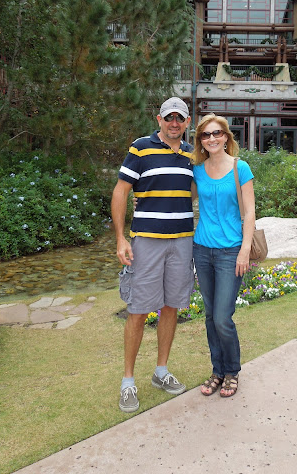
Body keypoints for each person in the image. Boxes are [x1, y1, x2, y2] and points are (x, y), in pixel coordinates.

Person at [111, 97, 194, 413]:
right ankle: (128, 382)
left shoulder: (191, 154)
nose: (175, 123)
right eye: (170, 117)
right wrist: (121, 238)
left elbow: (198, 189)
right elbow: (121, 191)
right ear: (159, 119)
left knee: (171, 306)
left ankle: (161, 372)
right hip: (147, 242)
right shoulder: (140, 148)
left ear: (187, 123)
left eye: (181, 118)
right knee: (138, 309)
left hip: (182, 241)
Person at [191, 113, 255, 398]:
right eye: (206, 135)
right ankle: (217, 371)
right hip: (202, 250)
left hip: (231, 251)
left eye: (217, 133)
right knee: (209, 316)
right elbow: (182, 200)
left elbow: (251, 212)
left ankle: (232, 371)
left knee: (222, 318)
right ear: (201, 141)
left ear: (227, 137)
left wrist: (244, 251)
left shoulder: (240, 168)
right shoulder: (197, 171)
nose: (212, 139)